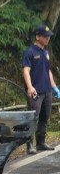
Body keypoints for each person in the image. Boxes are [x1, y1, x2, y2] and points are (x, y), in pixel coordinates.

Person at [22, 24, 60, 154]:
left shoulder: (45, 52)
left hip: (47, 89)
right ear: (37, 36)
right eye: (44, 36)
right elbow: (26, 71)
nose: (47, 39)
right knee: (33, 117)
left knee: (45, 117)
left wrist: (54, 87)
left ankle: (41, 142)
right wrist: (30, 87)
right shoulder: (30, 52)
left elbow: (47, 70)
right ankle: (29, 145)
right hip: (35, 91)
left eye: (48, 37)